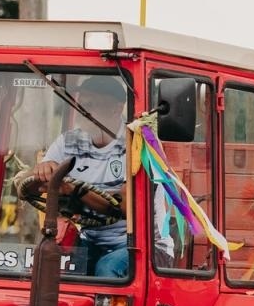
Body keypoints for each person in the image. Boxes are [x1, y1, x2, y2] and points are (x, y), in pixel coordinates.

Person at [31, 75, 172, 278]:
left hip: (143, 245)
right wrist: (42, 169)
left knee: (107, 269)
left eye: (92, 105)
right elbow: (34, 183)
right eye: (82, 105)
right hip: (90, 241)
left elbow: (125, 208)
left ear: (116, 108)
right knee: (47, 266)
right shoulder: (69, 142)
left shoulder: (139, 145)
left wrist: (73, 190)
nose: (83, 112)